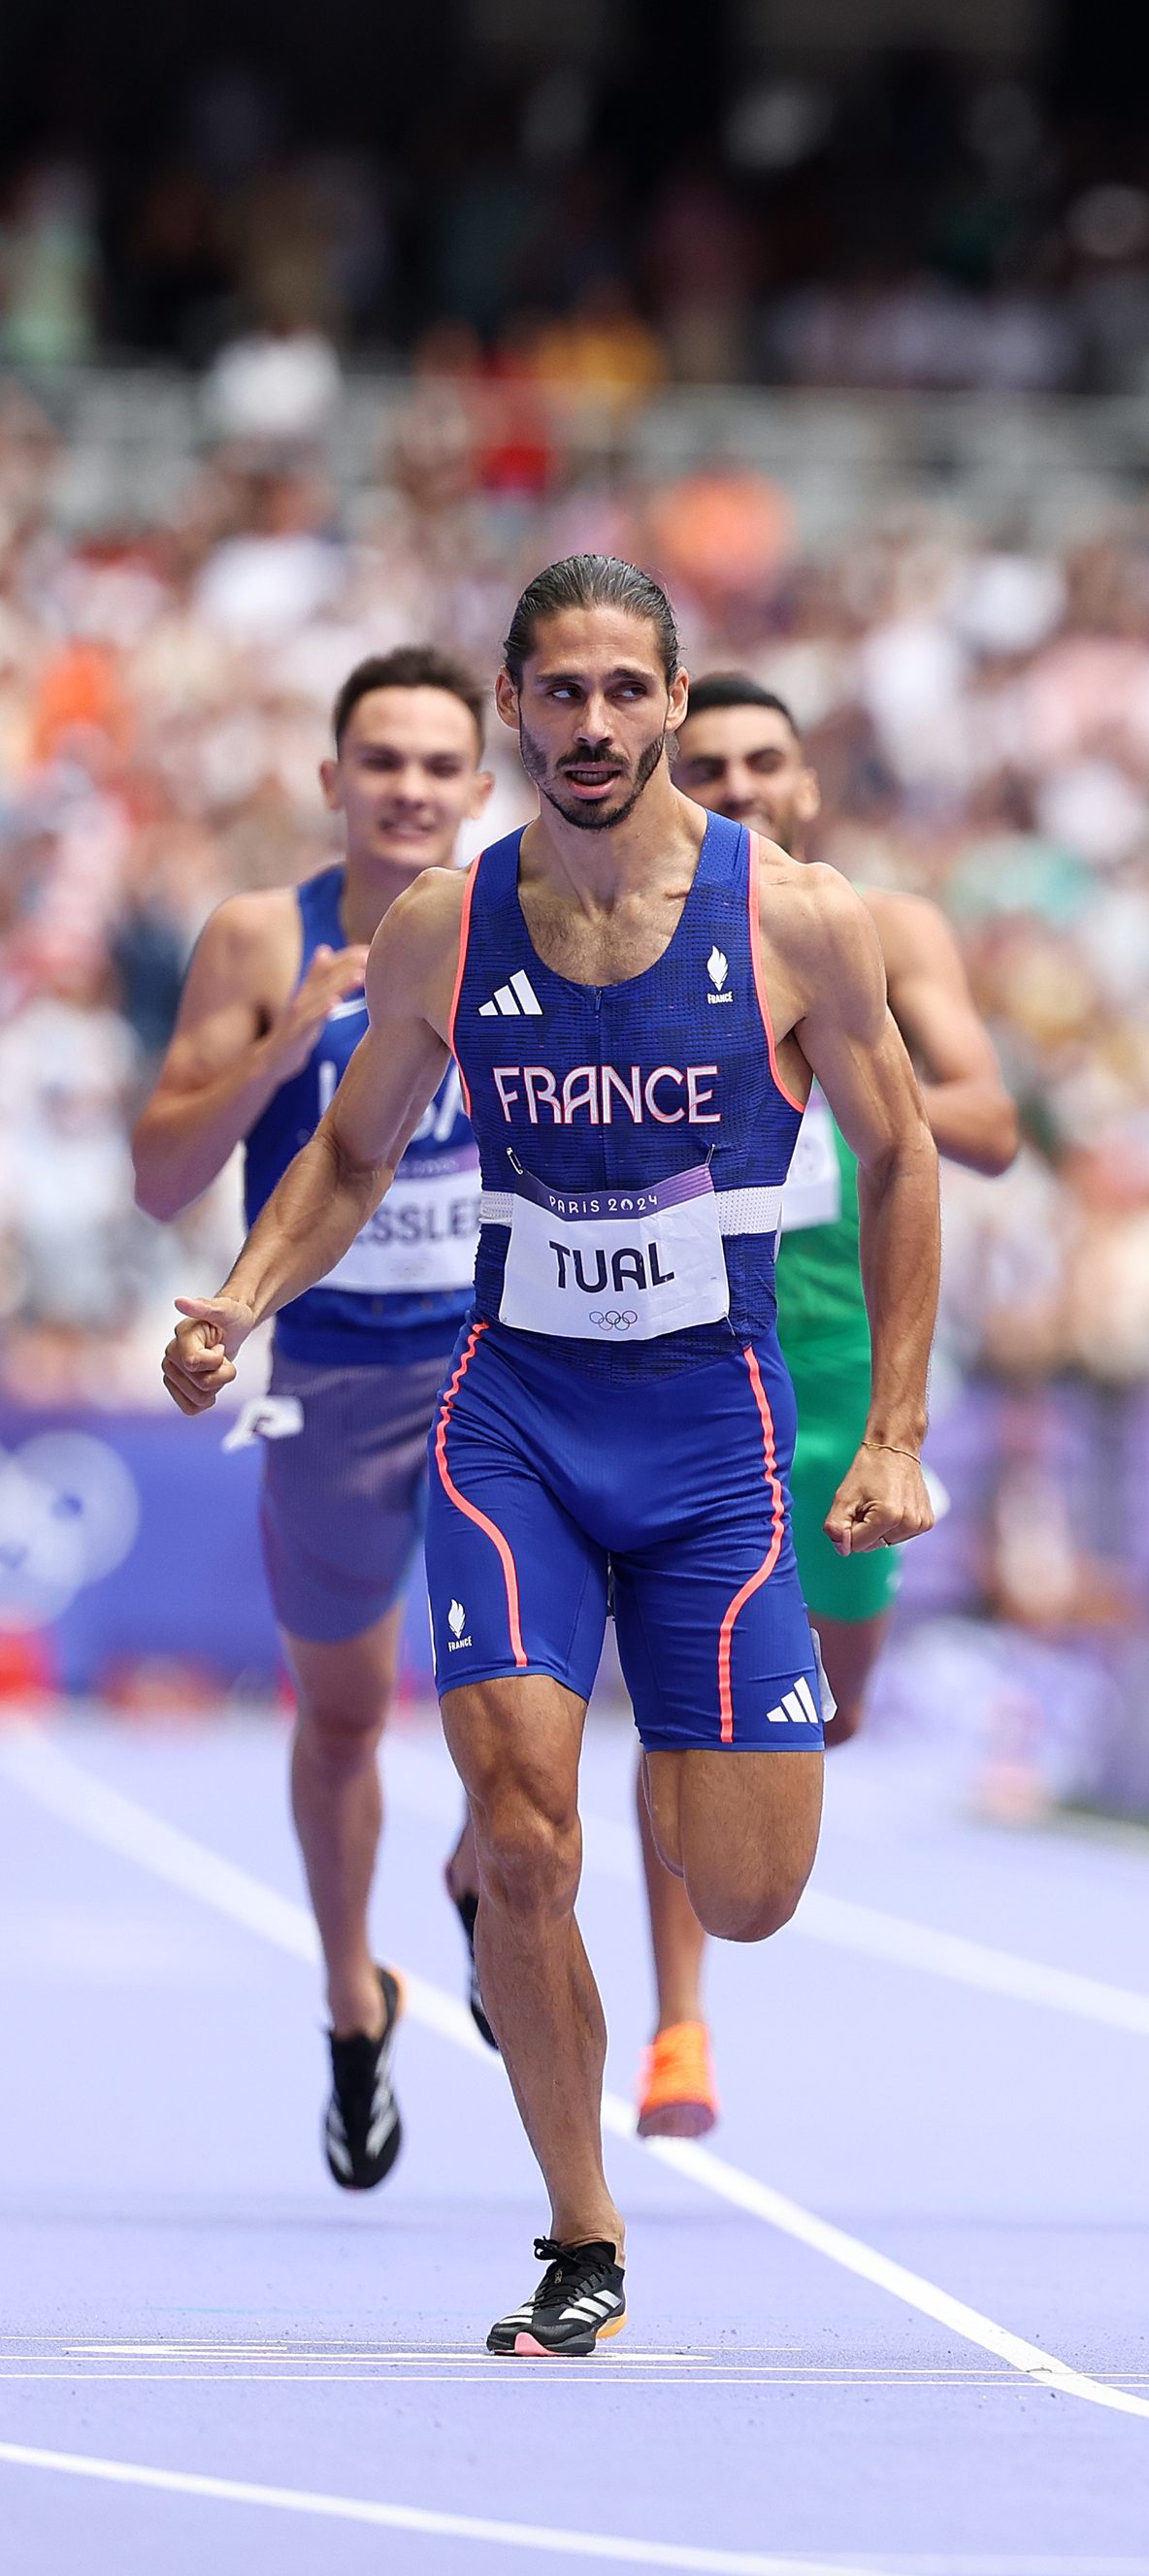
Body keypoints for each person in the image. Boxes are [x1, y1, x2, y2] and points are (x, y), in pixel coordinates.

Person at [161, 555, 942, 2359]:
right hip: (511, 1414)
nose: (591, 728)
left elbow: (900, 1159)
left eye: (623, 693)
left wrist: (894, 1430)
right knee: (523, 1841)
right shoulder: (448, 923)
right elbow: (352, 1154)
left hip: (716, 1429)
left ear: (673, 704)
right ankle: (579, 2233)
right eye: (559, 693)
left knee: (746, 1893)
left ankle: (689, 1757)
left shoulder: (801, 917)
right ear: (517, 705)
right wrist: (240, 1295)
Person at [623, 670, 1020, 2138]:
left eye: (761, 763)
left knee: (823, 1713)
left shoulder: (871, 931)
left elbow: (986, 1128)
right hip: (690, 1338)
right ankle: (677, 2027)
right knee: (688, 1703)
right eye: (707, 763)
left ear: (802, 782)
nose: (734, 786)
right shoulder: (626, 920)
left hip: (847, 1349)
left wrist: (843, 1050)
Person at [128, 645, 496, 2195]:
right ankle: (356, 2001)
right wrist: (283, 1047)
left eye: (436, 764)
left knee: (517, 1703)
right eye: (383, 761)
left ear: (479, 788)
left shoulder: (536, 920)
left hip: (498, 1364)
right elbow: (157, 1177)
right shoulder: (258, 935)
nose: (409, 788)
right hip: (330, 1374)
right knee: (344, 1716)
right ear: (331, 780)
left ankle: (497, 1879)